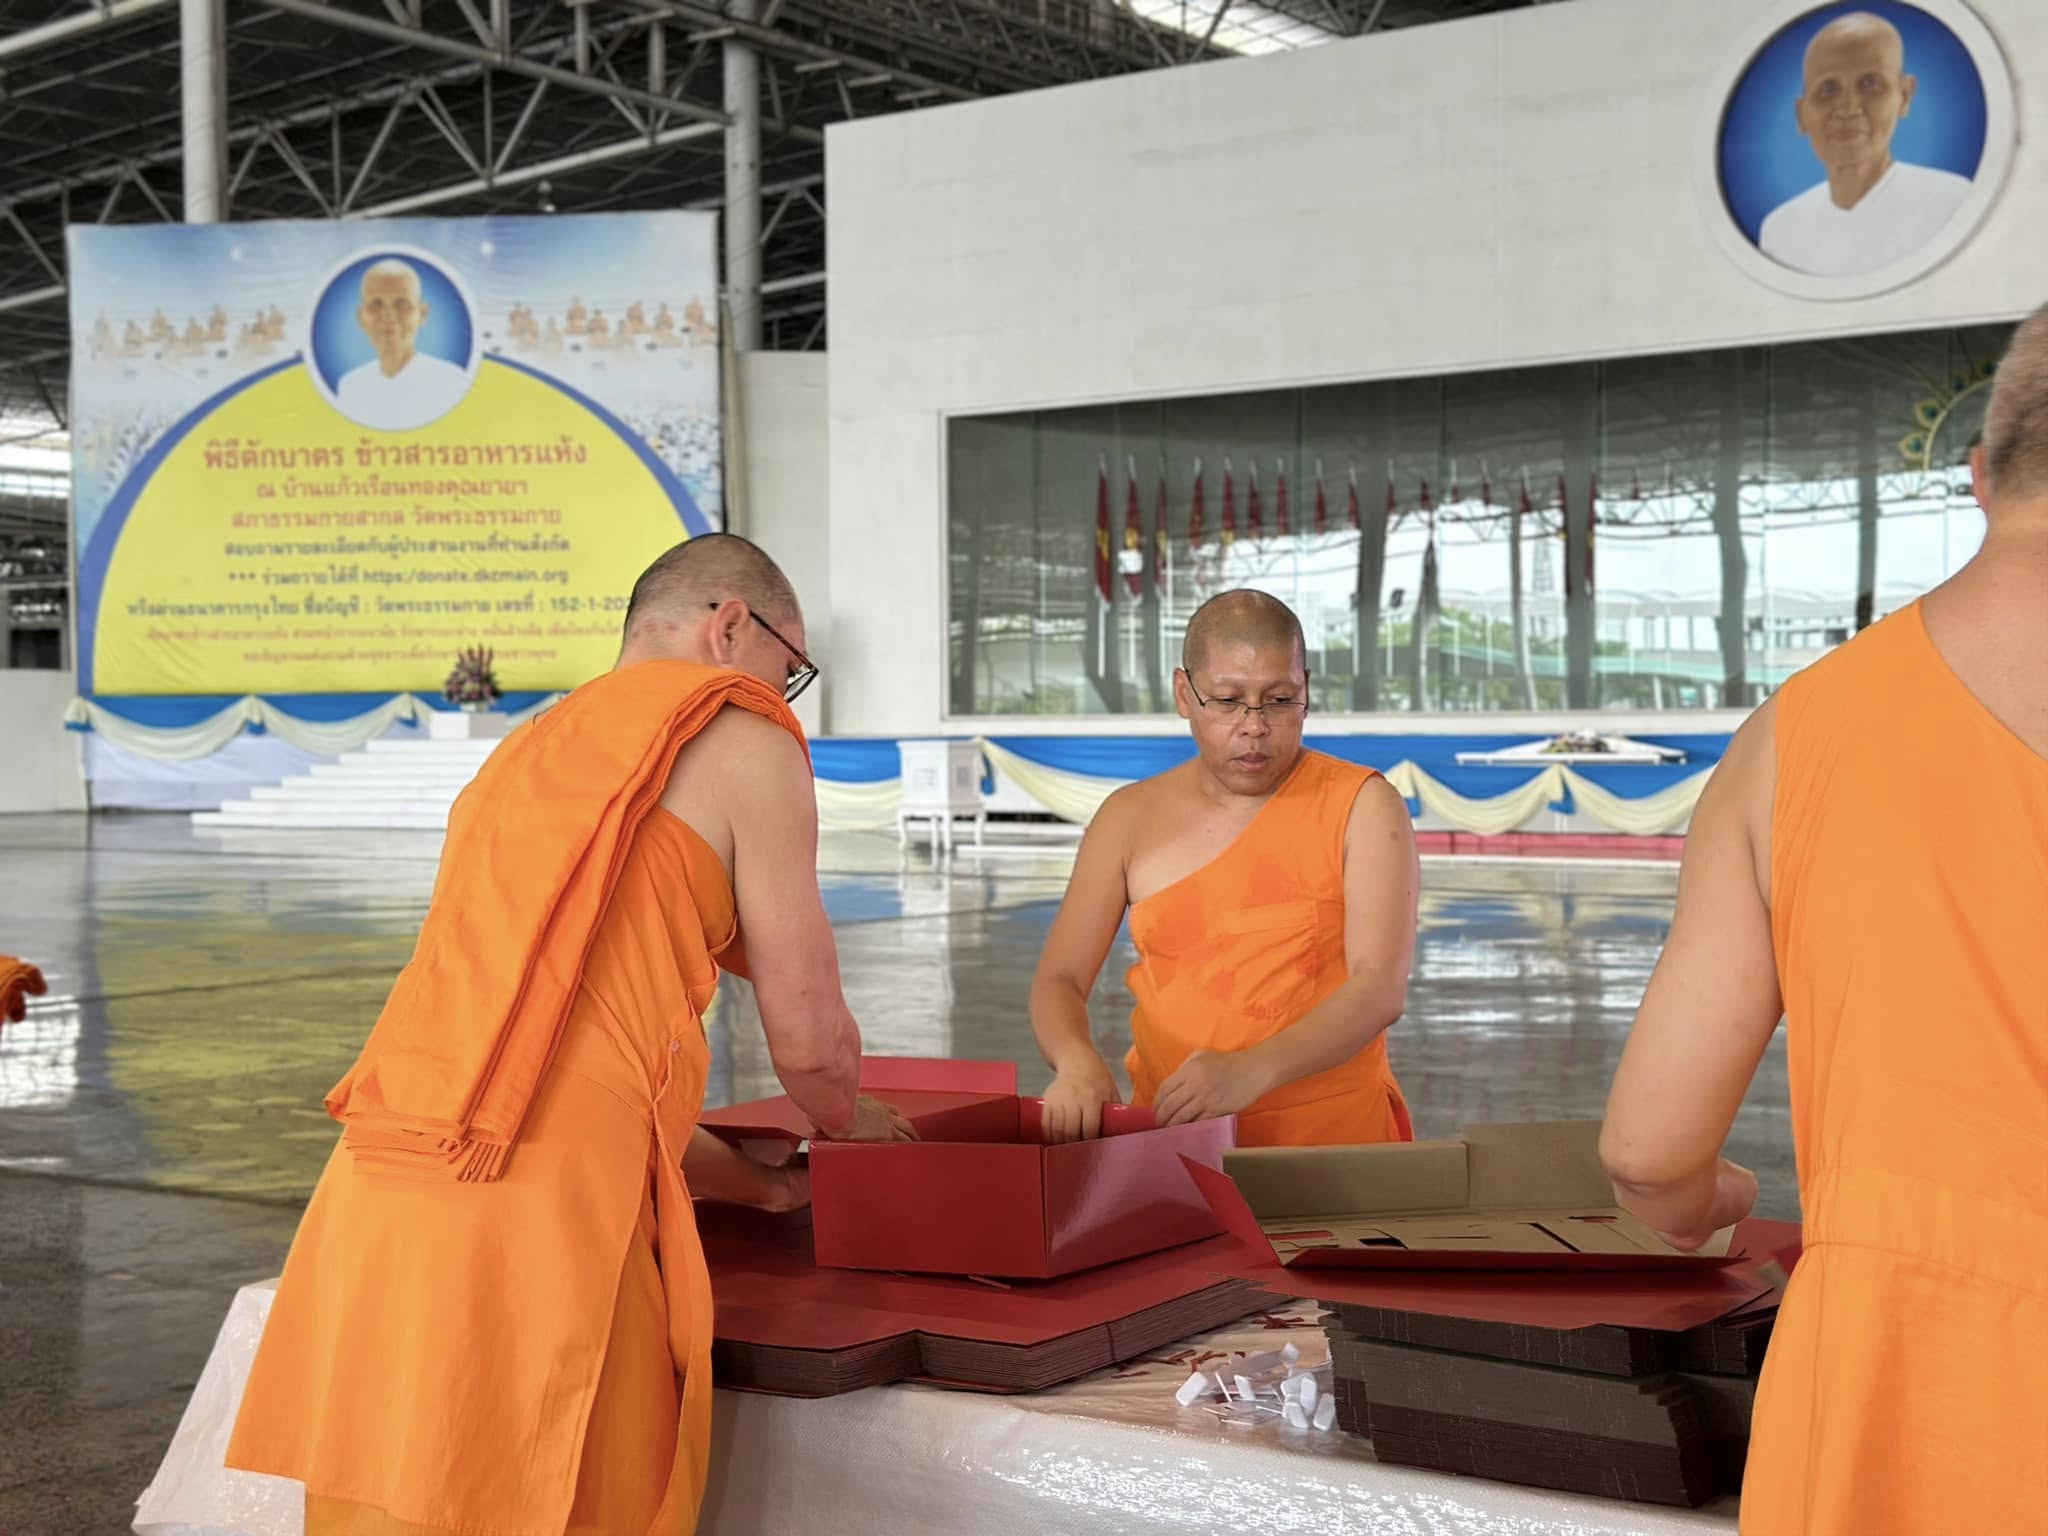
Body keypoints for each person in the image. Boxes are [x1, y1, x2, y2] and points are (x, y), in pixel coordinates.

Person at [227, 533, 916, 1535]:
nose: (784, 689)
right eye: (789, 661)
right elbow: (808, 1041)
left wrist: (763, 1186)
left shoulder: (531, 755)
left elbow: (543, 1067)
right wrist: (849, 1126)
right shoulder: (741, 732)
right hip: (541, 1235)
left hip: (383, 1195)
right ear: (731, 626)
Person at [1600, 310, 2048, 1532]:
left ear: (1976, 476)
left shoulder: (1793, 738)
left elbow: (1646, 1154)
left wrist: (1713, 1203)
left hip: (1892, 1393)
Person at [1031, 589, 1418, 1147]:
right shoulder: (1129, 818)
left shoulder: (1361, 805)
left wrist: (1254, 1068)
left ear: (1306, 688)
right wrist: (1076, 1061)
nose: (1255, 726)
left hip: (1332, 1142)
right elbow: (1059, 979)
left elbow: (1378, 988)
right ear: (1184, 693)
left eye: (1280, 700)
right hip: (1170, 1136)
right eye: (1228, 700)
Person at [1757, 12, 1972, 278]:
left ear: (1904, 96)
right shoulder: (1781, 230)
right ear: (1802, 114)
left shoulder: (1952, 202)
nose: (1848, 108)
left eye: (1870, 84)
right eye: (1828, 89)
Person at [334, 258, 473, 431]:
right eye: (376, 305)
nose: (388, 316)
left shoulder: (451, 383)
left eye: (402, 304)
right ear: (361, 317)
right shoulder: (351, 387)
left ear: (422, 314)